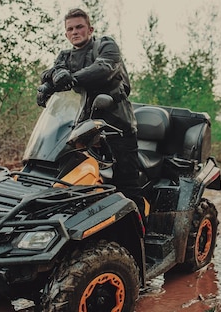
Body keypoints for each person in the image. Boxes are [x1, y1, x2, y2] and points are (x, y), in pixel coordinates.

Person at [36, 8, 145, 216]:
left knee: (127, 184)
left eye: (79, 26)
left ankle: (141, 237)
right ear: (66, 33)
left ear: (90, 28)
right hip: (83, 129)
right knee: (68, 180)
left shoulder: (106, 45)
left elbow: (104, 68)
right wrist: (46, 87)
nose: (75, 31)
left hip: (117, 126)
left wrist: (71, 78)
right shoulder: (65, 55)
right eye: (70, 29)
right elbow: (54, 74)